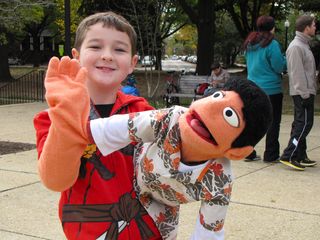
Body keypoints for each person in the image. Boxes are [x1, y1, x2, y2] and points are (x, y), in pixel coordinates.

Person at [41, 54, 273, 240]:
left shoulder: (220, 181)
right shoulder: (170, 118)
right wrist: (78, 127)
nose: (209, 108)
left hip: (163, 205)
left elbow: (210, 230)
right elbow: (121, 127)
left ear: (236, 152)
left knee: (158, 234)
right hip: (132, 171)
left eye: (229, 116)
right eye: (216, 97)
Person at [33, 12, 162, 240]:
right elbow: (56, 180)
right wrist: (66, 118)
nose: (107, 56)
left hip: (148, 232)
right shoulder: (51, 119)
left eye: (119, 50)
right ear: (76, 57)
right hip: (87, 233)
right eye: (95, 46)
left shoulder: (146, 114)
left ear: (132, 63)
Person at [243, 15, 287, 163]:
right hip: (271, 89)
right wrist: (285, 60)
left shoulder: (249, 44)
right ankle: (271, 154)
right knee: (273, 122)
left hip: (253, 88)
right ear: (272, 28)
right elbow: (279, 66)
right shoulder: (272, 44)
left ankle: (247, 151)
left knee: (253, 121)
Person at [280, 15, 318, 170]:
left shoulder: (304, 44)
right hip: (303, 92)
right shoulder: (296, 47)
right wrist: (304, 93)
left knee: (301, 124)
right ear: (306, 27)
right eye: (314, 25)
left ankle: (300, 155)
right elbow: (296, 73)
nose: (315, 27)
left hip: (307, 91)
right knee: (304, 124)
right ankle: (289, 154)